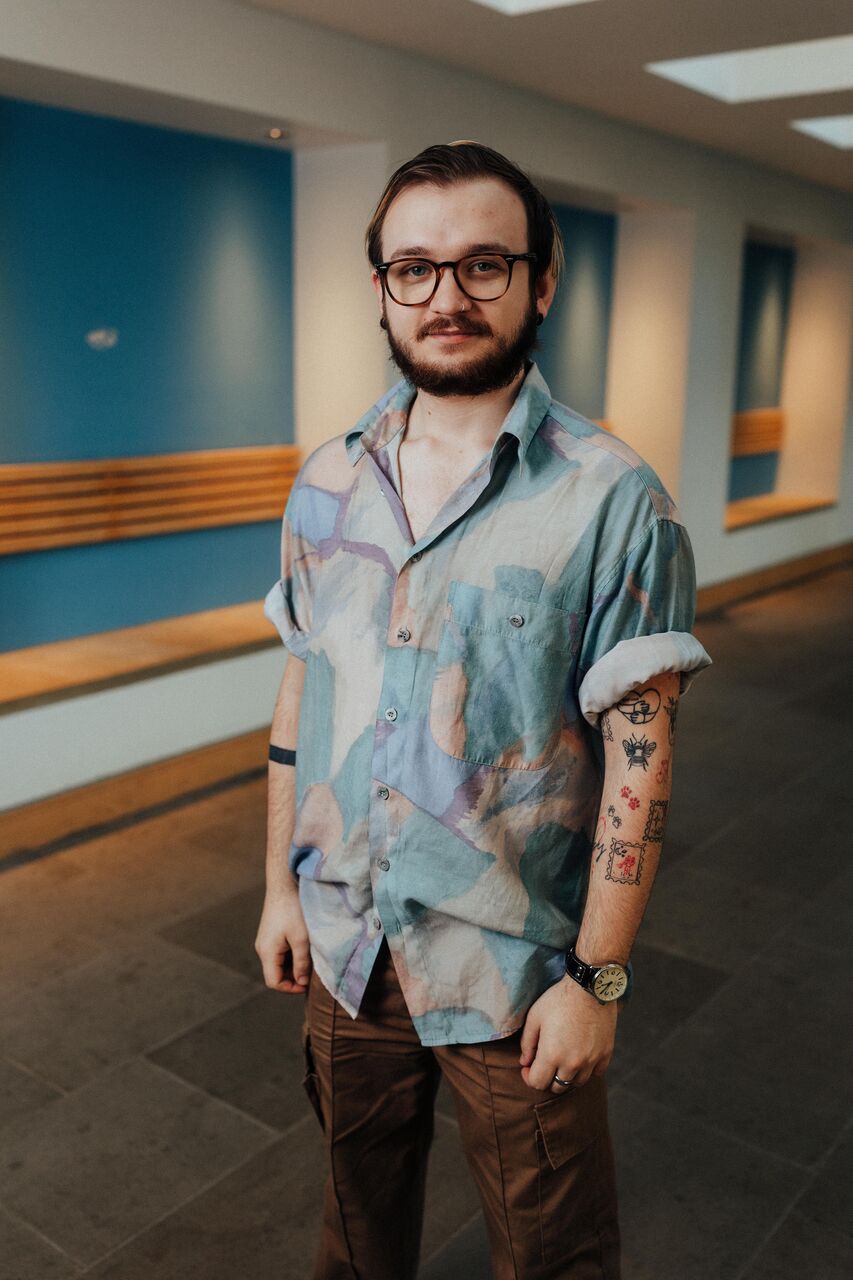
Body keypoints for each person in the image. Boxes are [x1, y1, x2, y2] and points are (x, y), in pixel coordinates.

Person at [255, 140, 712, 1280]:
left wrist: (599, 980)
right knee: (355, 1234)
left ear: (540, 282)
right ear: (379, 290)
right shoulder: (326, 481)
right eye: (413, 267)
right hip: (348, 945)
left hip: (514, 973)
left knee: (553, 1252)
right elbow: (304, 684)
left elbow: (639, 762)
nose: (445, 295)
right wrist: (278, 889)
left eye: (482, 264)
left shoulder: (614, 497)